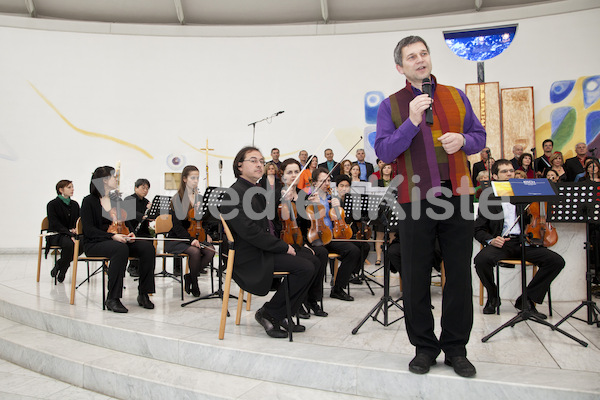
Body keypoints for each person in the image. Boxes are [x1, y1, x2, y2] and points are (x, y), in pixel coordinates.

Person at [374, 35, 485, 377]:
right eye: (411, 57)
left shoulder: (455, 95)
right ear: (400, 67)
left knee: (459, 275)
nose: (420, 60)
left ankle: (456, 348)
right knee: (416, 275)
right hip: (414, 198)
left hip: (458, 194)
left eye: (423, 54)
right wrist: (410, 121)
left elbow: (479, 136)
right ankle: (424, 347)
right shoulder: (391, 105)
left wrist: (464, 140)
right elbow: (384, 152)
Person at [220, 147, 316, 338]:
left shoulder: (257, 190)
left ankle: (283, 313)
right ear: (239, 165)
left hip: (263, 248)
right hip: (250, 255)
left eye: (261, 162)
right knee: (305, 267)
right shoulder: (233, 194)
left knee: (314, 259)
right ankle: (270, 313)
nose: (259, 165)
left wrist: (294, 200)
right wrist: (283, 247)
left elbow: (274, 220)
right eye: (253, 160)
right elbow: (251, 233)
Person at [474, 159, 565, 319]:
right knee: (481, 260)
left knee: (556, 261)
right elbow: (478, 229)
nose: (509, 173)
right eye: (504, 171)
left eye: (511, 170)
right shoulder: (488, 198)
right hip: (502, 244)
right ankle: (493, 296)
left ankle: (527, 299)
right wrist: (491, 240)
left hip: (526, 242)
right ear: (494, 176)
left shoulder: (525, 195)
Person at [80, 166, 156, 313]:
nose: (116, 179)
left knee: (147, 248)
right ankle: (112, 298)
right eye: (113, 177)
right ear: (104, 181)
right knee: (120, 249)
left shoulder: (116, 200)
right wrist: (112, 236)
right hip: (95, 243)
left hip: (118, 239)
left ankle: (144, 293)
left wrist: (131, 233)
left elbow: (126, 221)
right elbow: (89, 230)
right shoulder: (89, 201)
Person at [278, 158, 328, 318]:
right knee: (310, 259)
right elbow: (277, 223)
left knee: (321, 252)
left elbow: (308, 224)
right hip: (285, 241)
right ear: (282, 176)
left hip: (302, 239)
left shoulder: (303, 194)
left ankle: (312, 300)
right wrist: (283, 199)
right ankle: (299, 300)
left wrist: (312, 206)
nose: (293, 175)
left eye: (296, 172)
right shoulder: (277, 194)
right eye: (289, 172)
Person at [305, 168, 363, 301]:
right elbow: (306, 219)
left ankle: (338, 288)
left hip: (331, 237)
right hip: (316, 238)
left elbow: (338, 218)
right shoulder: (310, 196)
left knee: (354, 250)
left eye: (328, 180)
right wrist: (314, 204)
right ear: (314, 183)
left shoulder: (331, 197)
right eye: (322, 181)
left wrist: (338, 206)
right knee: (322, 254)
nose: (326, 183)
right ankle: (314, 295)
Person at [166, 165, 215, 297]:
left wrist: (207, 233)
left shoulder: (199, 198)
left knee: (211, 251)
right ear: (184, 179)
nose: (195, 181)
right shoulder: (177, 199)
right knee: (194, 252)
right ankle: (195, 281)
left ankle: (189, 276)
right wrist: (191, 239)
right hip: (178, 238)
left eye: (197, 178)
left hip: (196, 235)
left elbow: (204, 220)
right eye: (192, 178)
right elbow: (177, 226)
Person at [46, 180, 81, 282]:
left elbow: (78, 220)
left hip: (71, 234)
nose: (72, 189)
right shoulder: (52, 204)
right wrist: (69, 233)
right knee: (69, 244)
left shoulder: (74, 204)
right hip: (57, 234)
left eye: (72, 187)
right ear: (61, 190)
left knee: (82, 243)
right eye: (69, 187)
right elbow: (55, 223)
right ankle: (64, 269)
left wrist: (75, 229)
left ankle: (60, 264)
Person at [124, 178, 153, 278]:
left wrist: (150, 213)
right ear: (136, 188)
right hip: (131, 229)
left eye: (147, 188)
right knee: (136, 241)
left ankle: (144, 267)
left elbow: (149, 217)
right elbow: (129, 213)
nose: (145, 190)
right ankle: (132, 266)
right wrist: (142, 216)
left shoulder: (146, 202)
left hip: (142, 230)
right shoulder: (129, 199)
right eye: (143, 188)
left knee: (149, 240)